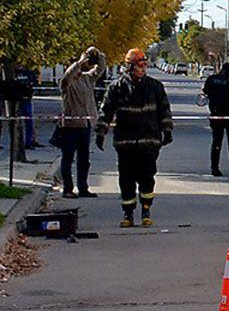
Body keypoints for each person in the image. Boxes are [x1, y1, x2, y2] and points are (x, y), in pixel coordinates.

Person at [96, 48, 172, 227]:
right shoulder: (116, 88)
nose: (143, 69)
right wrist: (101, 132)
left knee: (147, 177)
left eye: (145, 65)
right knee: (126, 178)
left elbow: (164, 110)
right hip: (126, 142)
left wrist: (167, 130)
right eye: (140, 65)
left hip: (149, 141)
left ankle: (146, 209)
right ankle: (128, 214)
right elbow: (106, 111)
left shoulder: (155, 87)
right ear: (129, 67)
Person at [57, 47, 104, 198]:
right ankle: (68, 189)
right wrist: (79, 62)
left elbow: (100, 70)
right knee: (68, 158)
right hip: (70, 126)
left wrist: (98, 54)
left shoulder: (86, 78)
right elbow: (66, 78)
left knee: (84, 160)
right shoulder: (67, 83)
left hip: (85, 125)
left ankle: (83, 188)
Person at [201, 61, 229, 177]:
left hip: (216, 114)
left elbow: (205, 91)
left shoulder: (212, 79)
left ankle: (214, 168)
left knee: (216, 142)